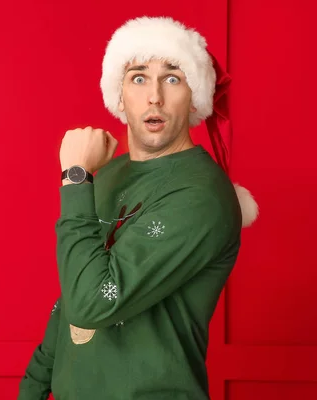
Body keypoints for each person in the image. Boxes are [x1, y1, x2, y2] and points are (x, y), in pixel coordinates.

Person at [17, 16, 259, 400]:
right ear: (119, 93)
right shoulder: (109, 174)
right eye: (139, 77)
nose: (155, 97)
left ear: (195, 95)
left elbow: (91, 302)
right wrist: (32, 388)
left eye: (173, 78)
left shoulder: (202, 197)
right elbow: (72, 291)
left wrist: (76, 176)